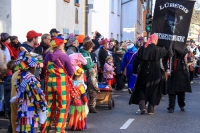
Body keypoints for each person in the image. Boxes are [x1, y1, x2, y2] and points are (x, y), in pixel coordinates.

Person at [129, 34, 169, 115]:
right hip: (156, 73)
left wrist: (135, 71)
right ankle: (151, 109)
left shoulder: (143, 48)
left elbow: (136, 61)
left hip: (144, 72)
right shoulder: (159, 49)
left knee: (142, 88)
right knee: (154, 90)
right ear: (155, 40)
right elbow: (168, 54)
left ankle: (142, 106)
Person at [11, 48, 47, 133]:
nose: (36, 67)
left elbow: (19, 90)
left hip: (22, 107)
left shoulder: (19, 75)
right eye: (36, 65)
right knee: (31, 127)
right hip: (30, 107)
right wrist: (43, 108)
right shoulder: (30, 78)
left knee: (24, 127)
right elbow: (38, 94)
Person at [43, 37, 74, 133]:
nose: (64, 44)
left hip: (49, 83)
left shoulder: (47, 55)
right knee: (62, 106)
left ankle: (44, 129)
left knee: (48, 106)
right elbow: (70, 71)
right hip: (62, 84)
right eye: (63, 43)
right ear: (59, 45)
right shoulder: (64, 56)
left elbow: (44, 68)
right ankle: (59, 130)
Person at [165, 49, 192, 113]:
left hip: (181, 71)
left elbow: (184, 52)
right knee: (171, 91)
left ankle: (182, 105)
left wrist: (177, 49)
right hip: (172, 72)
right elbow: (164, 58)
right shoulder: (169, 48)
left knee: (181, 91)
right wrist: (166, 69)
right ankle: (171, 107)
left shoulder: (182, 46)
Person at [68, 67, 88, 131]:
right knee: (79, 115)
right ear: (79, 76)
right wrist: (86, 101)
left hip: (73, 102)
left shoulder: (71, 83)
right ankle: (79, 126)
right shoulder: (81, 85)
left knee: (73, 114)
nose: (83, 77)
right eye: (82, 76)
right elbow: (83, 94)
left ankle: (73, 126)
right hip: (80, 102)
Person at [3, 60, 15, 133]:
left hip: (8, 103)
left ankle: (10, 129)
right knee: (13, 118)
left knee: (11, 118)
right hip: (12, 102)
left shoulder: (7, 78)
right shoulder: (13, 79)